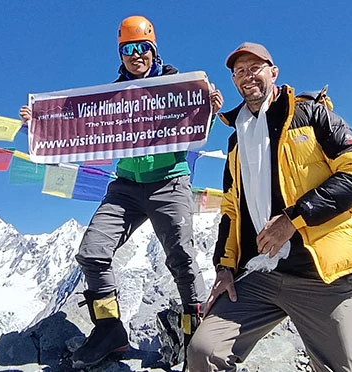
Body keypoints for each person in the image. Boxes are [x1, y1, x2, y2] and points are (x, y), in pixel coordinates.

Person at [19, 16, 223, 369]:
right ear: (121, 53)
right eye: (128, 49)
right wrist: (39, 122)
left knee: (182, 259)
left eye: (143, 47)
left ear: (154, 51)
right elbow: (72, 127)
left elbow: (199, 119)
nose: (136, 54)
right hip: (126, 185)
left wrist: (209, 106)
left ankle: (195, 335)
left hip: (169, 181)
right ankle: (110, 330)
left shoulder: (178, 87)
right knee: (93, 252)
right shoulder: (109, 98)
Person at [185, 42, 352, 372]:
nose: (248, 77)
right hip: (262, 274)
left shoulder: (311, 115)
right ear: (233, 80)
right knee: (204, 351)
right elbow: (232, 209)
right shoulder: (235, 141)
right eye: (240, 71)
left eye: (255, 68)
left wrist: (293, 219)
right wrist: (225, 267)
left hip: (319, 275)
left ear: (273, 72)